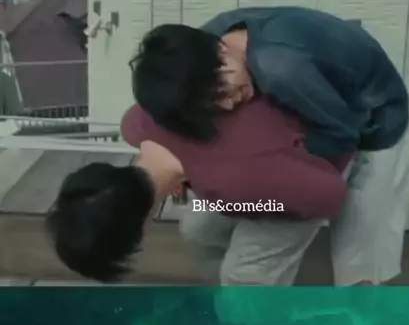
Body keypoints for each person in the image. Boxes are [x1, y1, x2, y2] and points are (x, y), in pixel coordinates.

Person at [130, 7, 409, 286]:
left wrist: (275, 186)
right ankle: (247, 303)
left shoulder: (282, 70)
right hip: (313, 91)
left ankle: (366, 310)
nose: (227, 105)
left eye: (222, 92)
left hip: (371, 117)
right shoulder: (197, 51)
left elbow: (340, 137)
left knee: (358, 255)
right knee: (201, 230)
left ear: (222, 52)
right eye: (212, 104)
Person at [47, 97, 354, 285]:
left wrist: (256, 207)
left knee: (244, 276)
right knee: (197, 229)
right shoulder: (135, 124)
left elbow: (328, 195)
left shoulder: (229, 185)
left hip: (319, 155)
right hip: (262, 151)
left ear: (140, 230)